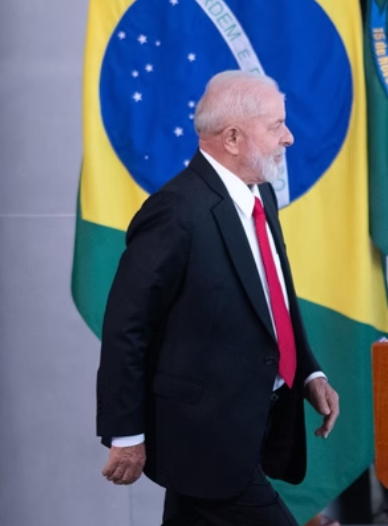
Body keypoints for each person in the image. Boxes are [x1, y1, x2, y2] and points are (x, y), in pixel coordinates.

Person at [96, 70, 340, 526]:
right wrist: (126, 433)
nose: (288, 137)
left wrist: (309, 372)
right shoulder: (175, 211)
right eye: (276, 125)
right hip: (204, 437)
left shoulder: (260, 194)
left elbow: (274, 300)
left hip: (251, 426)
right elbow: (127, 326)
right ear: (232, 138)